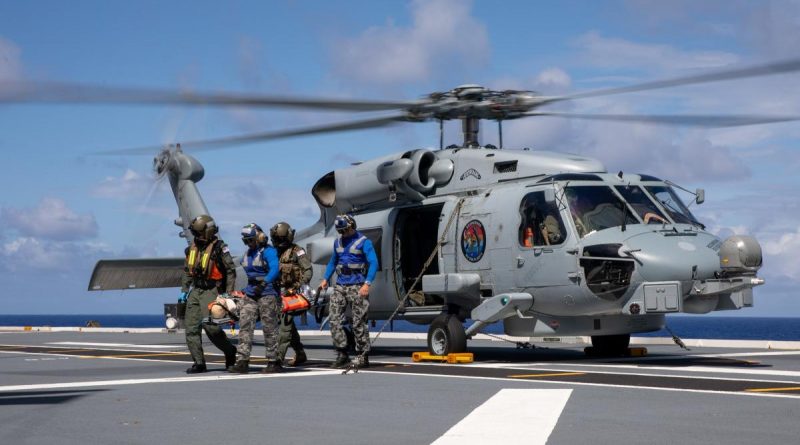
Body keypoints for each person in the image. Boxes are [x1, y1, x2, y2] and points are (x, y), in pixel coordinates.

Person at [319, 214, 378, 369]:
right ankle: (342, 354)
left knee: (359, 322)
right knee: (334, 319)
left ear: (352, 226)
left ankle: (362, 355)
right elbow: (333, 262)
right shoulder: (338, 242)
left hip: (358, 286)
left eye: (345, 230)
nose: (343, 233)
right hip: (340, 285)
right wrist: (325, 278)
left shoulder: (364, 242)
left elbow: (373, 263)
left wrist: (367, 283)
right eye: (341, 231)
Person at [180, 214, 238, 374]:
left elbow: (230, 271)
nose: (196, 236)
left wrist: (228, 293)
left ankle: (230, 351)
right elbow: (187, 270)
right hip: (195, 291)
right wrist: (184, 290)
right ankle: (199, 362)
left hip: (212, 290)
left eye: (198, 233)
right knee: (191, 328)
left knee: (211, 327)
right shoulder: (192, 248)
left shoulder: (220, 248)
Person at [227, 223, 282, 374]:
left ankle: (274, 361)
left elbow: (275, 269)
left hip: (268, 293)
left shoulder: (269, 252)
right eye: (246, 241)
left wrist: (264, 284)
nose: (249, 243)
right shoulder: (247, 254)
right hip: (251, 293)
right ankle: (243, 361)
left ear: (259, 238)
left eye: (250, 240)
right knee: (245, 325)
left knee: (269, 327)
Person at [272, 221, 313, 366]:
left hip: (291, 295)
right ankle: (300, 353)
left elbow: (308, 270)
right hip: (277, 294)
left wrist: (298, 287)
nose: (278, 242)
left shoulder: (297, 251)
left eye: (280, 239)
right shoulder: (274, 252)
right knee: (287, 326)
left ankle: (277, 360)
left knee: (284, 327)